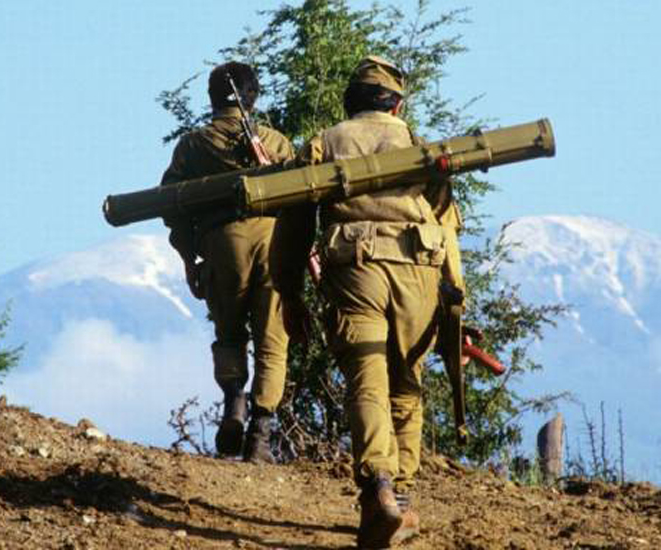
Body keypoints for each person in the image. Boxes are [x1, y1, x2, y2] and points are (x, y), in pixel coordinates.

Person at [271, 56, 462, 547]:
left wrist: (288, 292)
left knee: (367, 380)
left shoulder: (324, 142)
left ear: (351, 102)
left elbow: (294, 224)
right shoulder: (419, 145)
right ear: (396, 102)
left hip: (356, 269)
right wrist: (455, 305)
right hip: (420, 272)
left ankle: (379, 485)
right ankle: (401, 498)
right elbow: (446, 226)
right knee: (406, 383)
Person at [160, 61, 294, 463]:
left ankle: (234, 402)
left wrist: (188, 258)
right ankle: (261, 436)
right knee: (273, 340)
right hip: (274, 243)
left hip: (222, 244)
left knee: (231, 333)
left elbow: (173, 208)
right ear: (254, 96)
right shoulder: (278, 142)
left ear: (212, 98)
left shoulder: (192, 146)